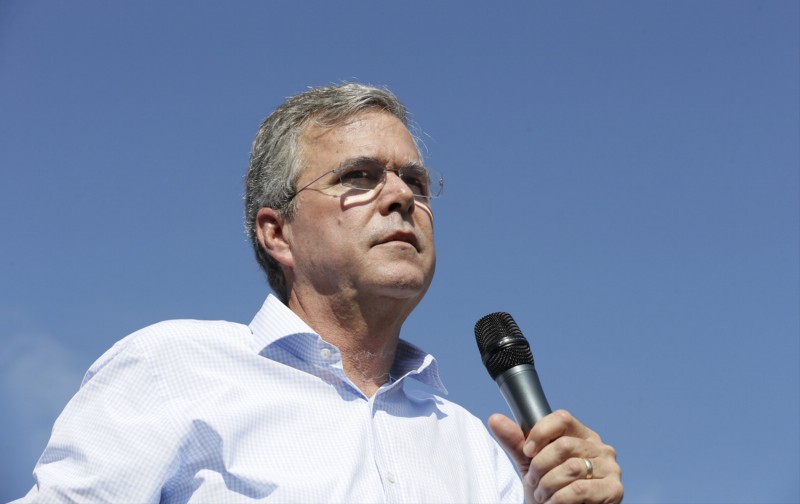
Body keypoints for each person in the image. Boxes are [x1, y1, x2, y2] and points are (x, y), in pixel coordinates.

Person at [16, 83, 623, 503]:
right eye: (358, 177)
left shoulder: (478, 448)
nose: (400, 197)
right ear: (277, 232)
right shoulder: (174, 368)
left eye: (414, 181)